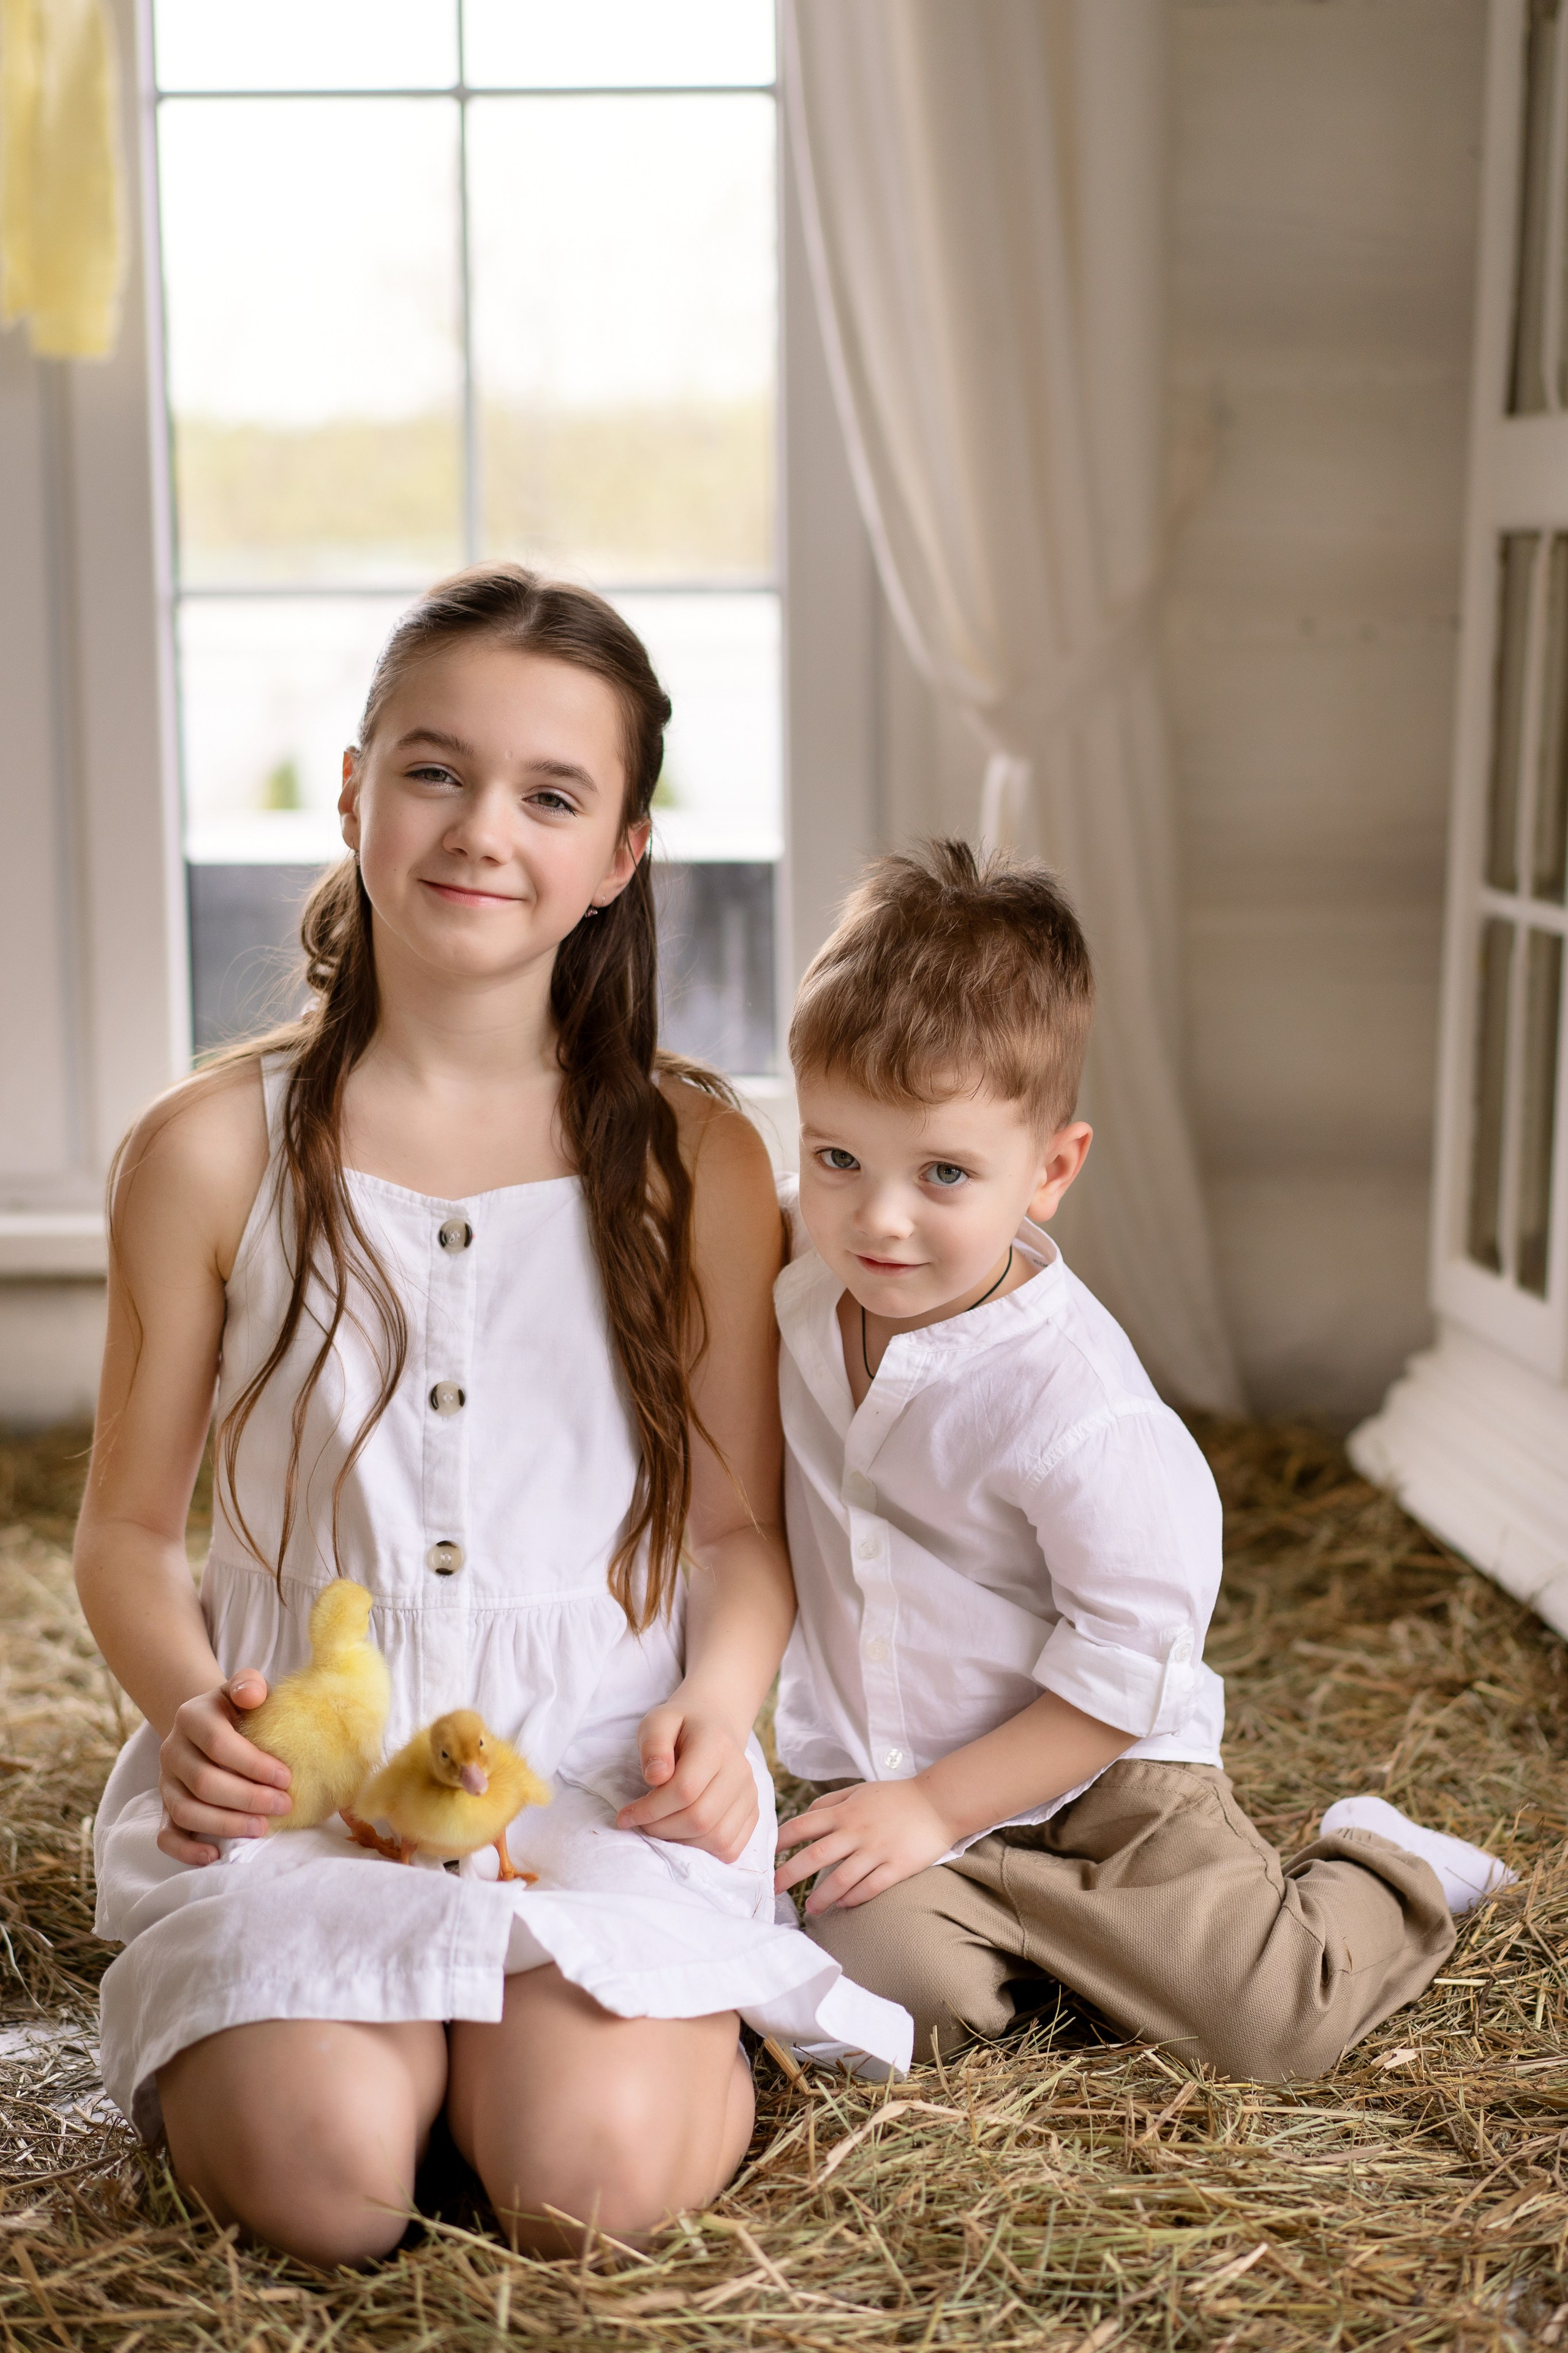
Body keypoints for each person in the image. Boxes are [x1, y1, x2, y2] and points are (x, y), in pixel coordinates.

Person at [77, 565, 909, 2269]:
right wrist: (192, 1719)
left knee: (582, 2190)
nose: (480, 830)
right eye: (435, 770)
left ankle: (592, 2046)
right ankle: (355, 2048)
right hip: (306, 1788)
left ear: (620, 855)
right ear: (356, 789)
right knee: (329, 2190)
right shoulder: (210, 1151)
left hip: (596, 1771)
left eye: (552, 794)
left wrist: (719, 1699)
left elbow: (742, 1536)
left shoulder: (699, 1159)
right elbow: (124, 1535)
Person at [772, 839, 1513, 2082]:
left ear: (1050, 1169)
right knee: (881, 1998)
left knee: (1265, 2029)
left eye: (943, 1173)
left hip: (1106, 1781)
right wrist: (913, 1809)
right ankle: (1043, 1953)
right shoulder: (799, 1305)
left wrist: (940, 1807)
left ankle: (1379, 1866)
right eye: (835, 1156)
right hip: (892, 1768)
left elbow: (1121, 1666)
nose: (876, 1217)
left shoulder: (1076, 1403)